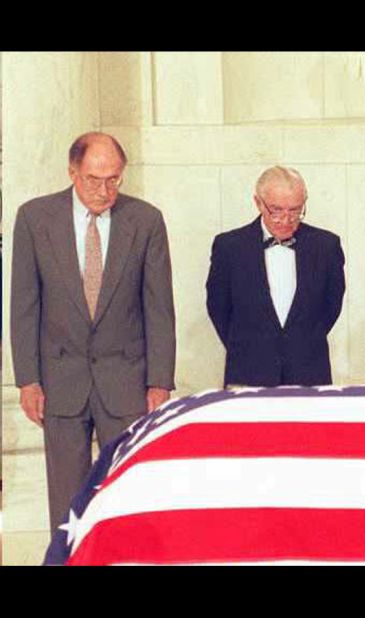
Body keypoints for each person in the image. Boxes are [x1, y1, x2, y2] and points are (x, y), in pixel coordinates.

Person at [9, 132, 176, 532]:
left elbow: (158, 307)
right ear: (72, 172)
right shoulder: (34, 218)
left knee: (130, 494)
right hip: (61, 382)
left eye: (114, 180)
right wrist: (28, 380)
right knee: (67, 505)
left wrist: (159, 382)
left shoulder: (146, 220)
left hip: (127, 381)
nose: (104, 191)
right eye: (93, 179)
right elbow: (24, 305)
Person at [205, 166, 346, 387]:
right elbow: (219, 308)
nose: (286, 219)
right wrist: (252, 345)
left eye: (295, 210)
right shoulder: (229, 247)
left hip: (309, 372)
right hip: (248, 372)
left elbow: (331, 307)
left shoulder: (326, 246)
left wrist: (299, 342)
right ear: (258, 203)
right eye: (276, 210)